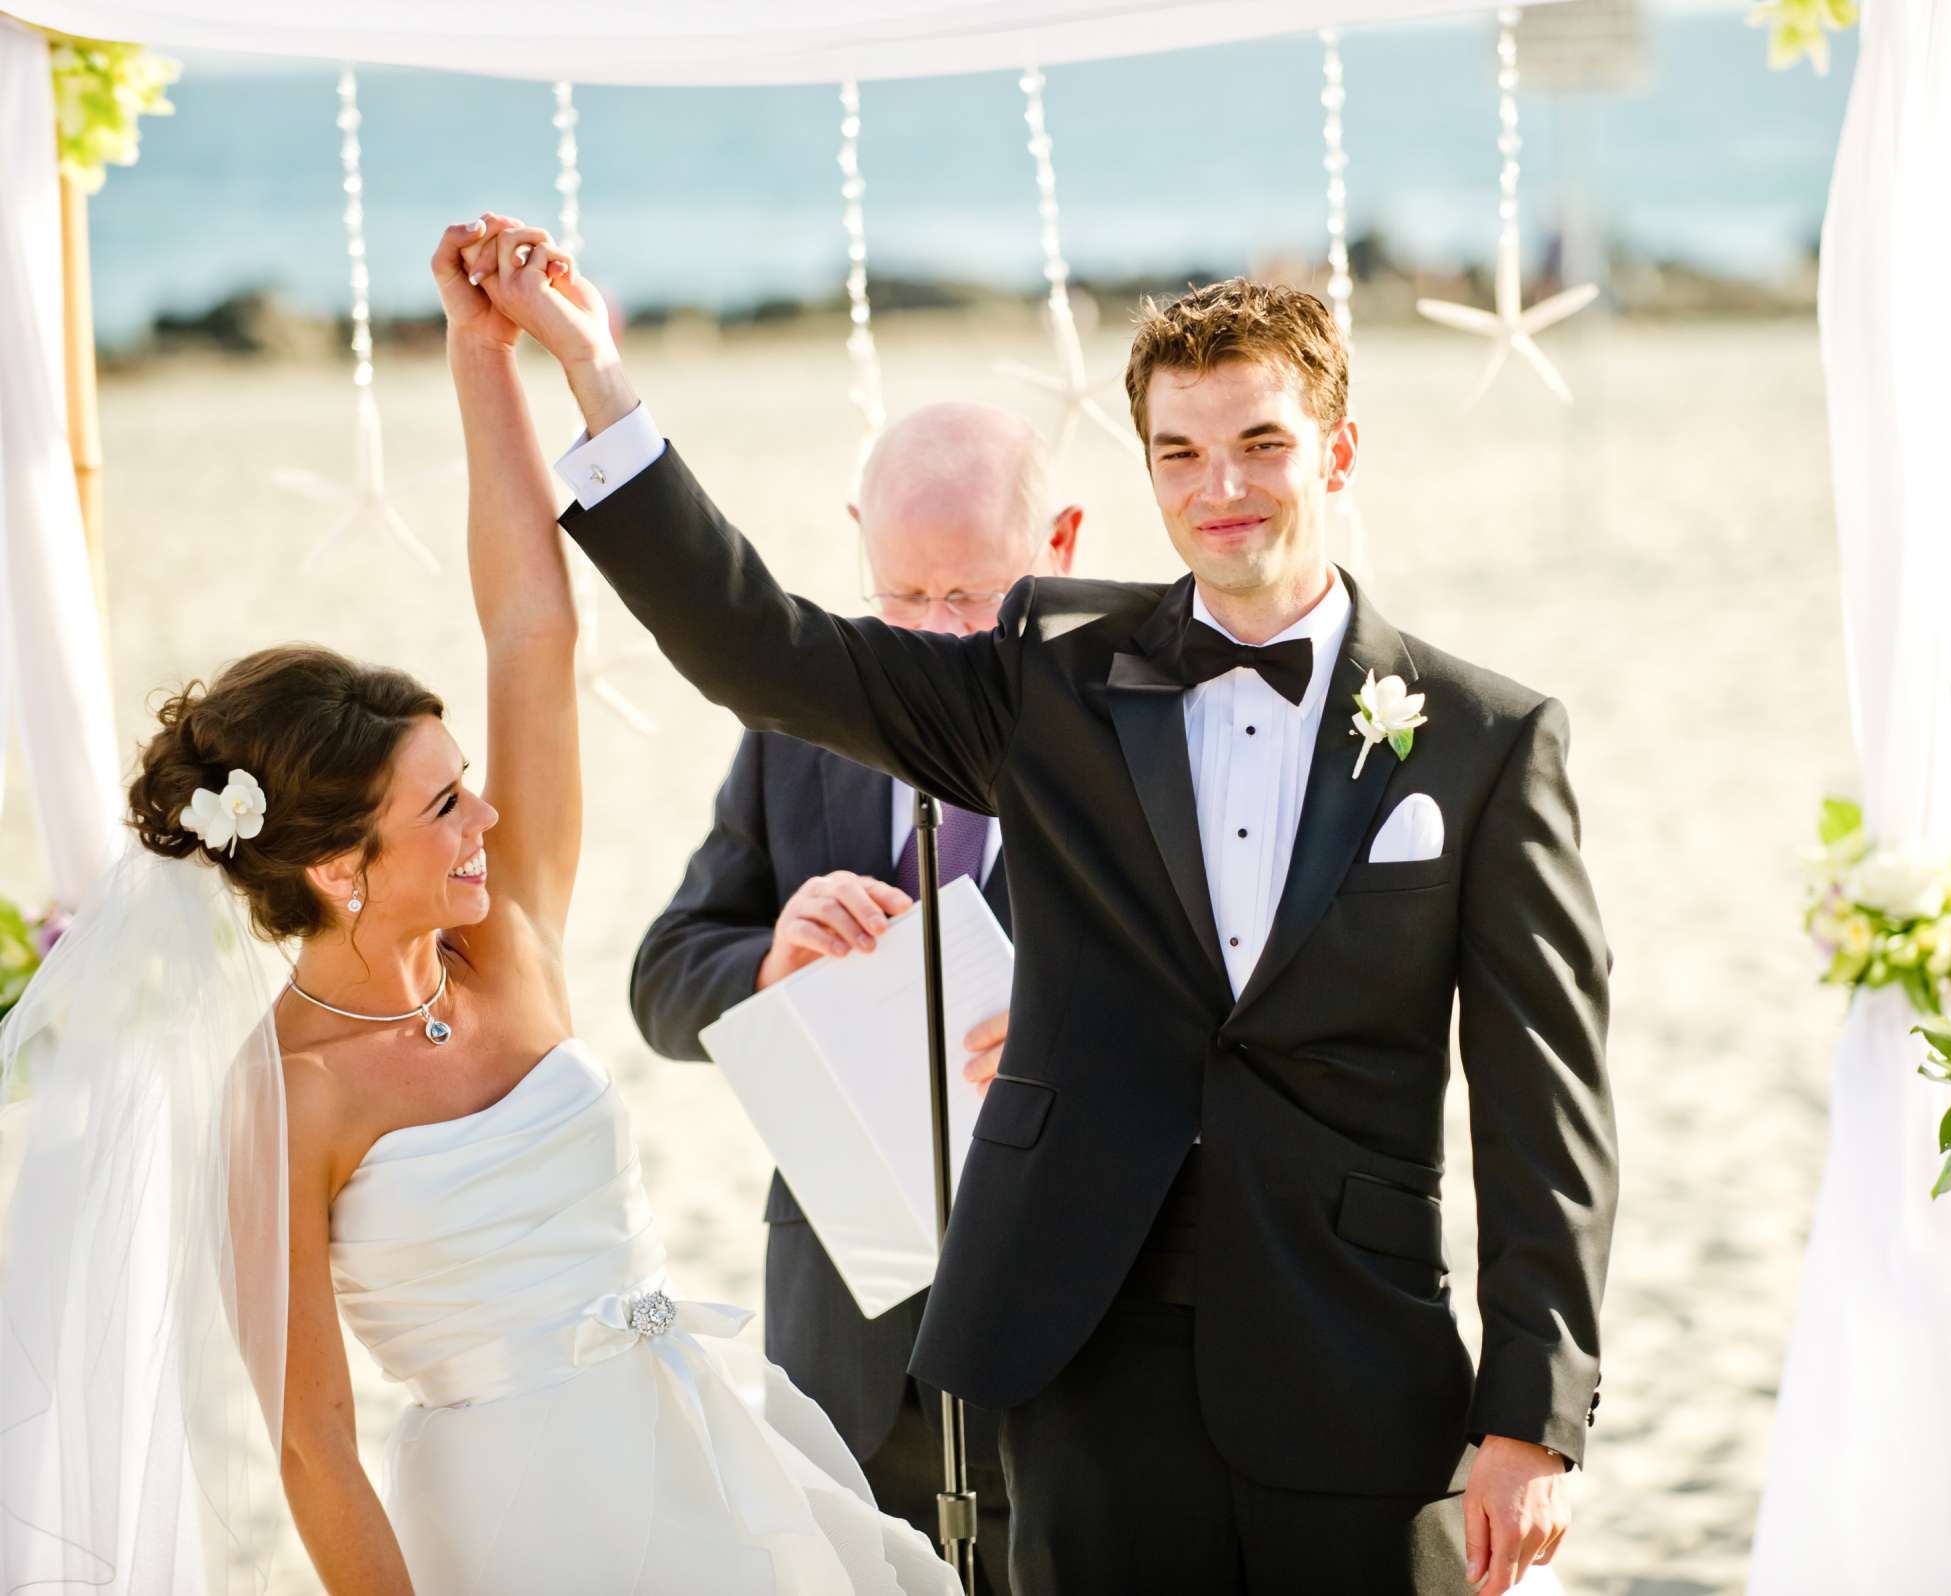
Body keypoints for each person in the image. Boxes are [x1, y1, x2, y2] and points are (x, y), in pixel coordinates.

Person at [499, 241, 1616, 1595]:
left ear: (1338, 448)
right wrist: (595, 377)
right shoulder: (1051, 688)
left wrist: (1529, 1423)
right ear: (1145, 468)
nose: (1221, 489)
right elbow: (768, 650)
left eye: (1260, 443)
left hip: (1356, 1368)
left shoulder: (1487, 739)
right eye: (1181, 453)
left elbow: (1543, 1106)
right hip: (1087, 1378)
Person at [0, 215, 959, 1596]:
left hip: (713, 1441)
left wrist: (483, 354)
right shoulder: (282, 1096)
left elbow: (532, 630)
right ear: (337, 867)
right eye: (443, 807)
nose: (488, 819)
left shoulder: (503, 940)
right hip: (515, 1522)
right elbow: (313, 1448)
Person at [629, 401, 1080, 1595]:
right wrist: (770, 960)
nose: (935, 636)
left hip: (1066, 1309)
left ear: (1063, 543)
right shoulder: (796, 735)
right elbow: (664, 976)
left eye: (969, 598)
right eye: (904, 597)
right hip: (846, 1317)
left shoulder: (1124, 733)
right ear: (857, 545)